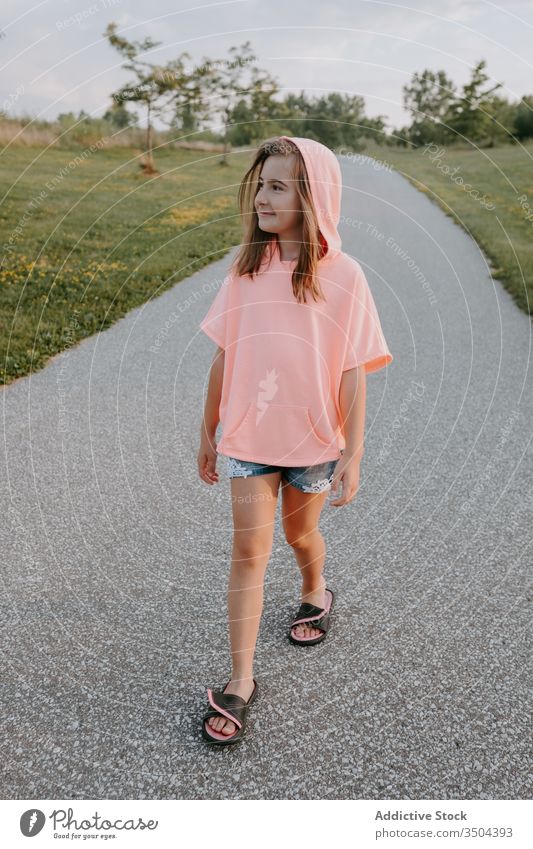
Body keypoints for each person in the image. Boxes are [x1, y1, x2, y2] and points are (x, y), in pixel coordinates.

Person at [197, 136, 393, 745]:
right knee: (249, 552)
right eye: (260, 184)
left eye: (278, 185)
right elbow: (226, 355)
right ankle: (241, 679)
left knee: (299, 533)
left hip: (314, 442)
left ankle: (315, 589)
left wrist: (353, 453)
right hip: (248, 440)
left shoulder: (344, 276)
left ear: (314, 197)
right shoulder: (246, 269)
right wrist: (207, 430)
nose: (262, 195)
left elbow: (351, 369)